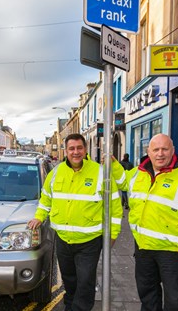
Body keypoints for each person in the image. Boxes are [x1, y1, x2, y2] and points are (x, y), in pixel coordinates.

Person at [112, 133, 178, 311]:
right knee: (148, 297)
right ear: (148, 152)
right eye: (156, 149)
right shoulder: (138, 173)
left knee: (176, 302)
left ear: (172, 150)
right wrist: (112, 164)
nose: (160, 154)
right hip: (144, 249)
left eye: (164, 149)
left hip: (174, 253)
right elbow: (122, 181)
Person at [28, 133, 123, 311]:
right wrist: (39, 216)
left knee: (86, 281)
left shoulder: (100, 172)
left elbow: (115, 207)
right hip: (63, 239)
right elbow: (46, 199)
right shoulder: (56, 173)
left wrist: (114, 233)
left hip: (89, 241)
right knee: (69, 279)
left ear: (85, 149)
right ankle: (70, 305)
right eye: (71, 148)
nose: (75, 152)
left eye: (79, 148)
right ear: (66, 150)